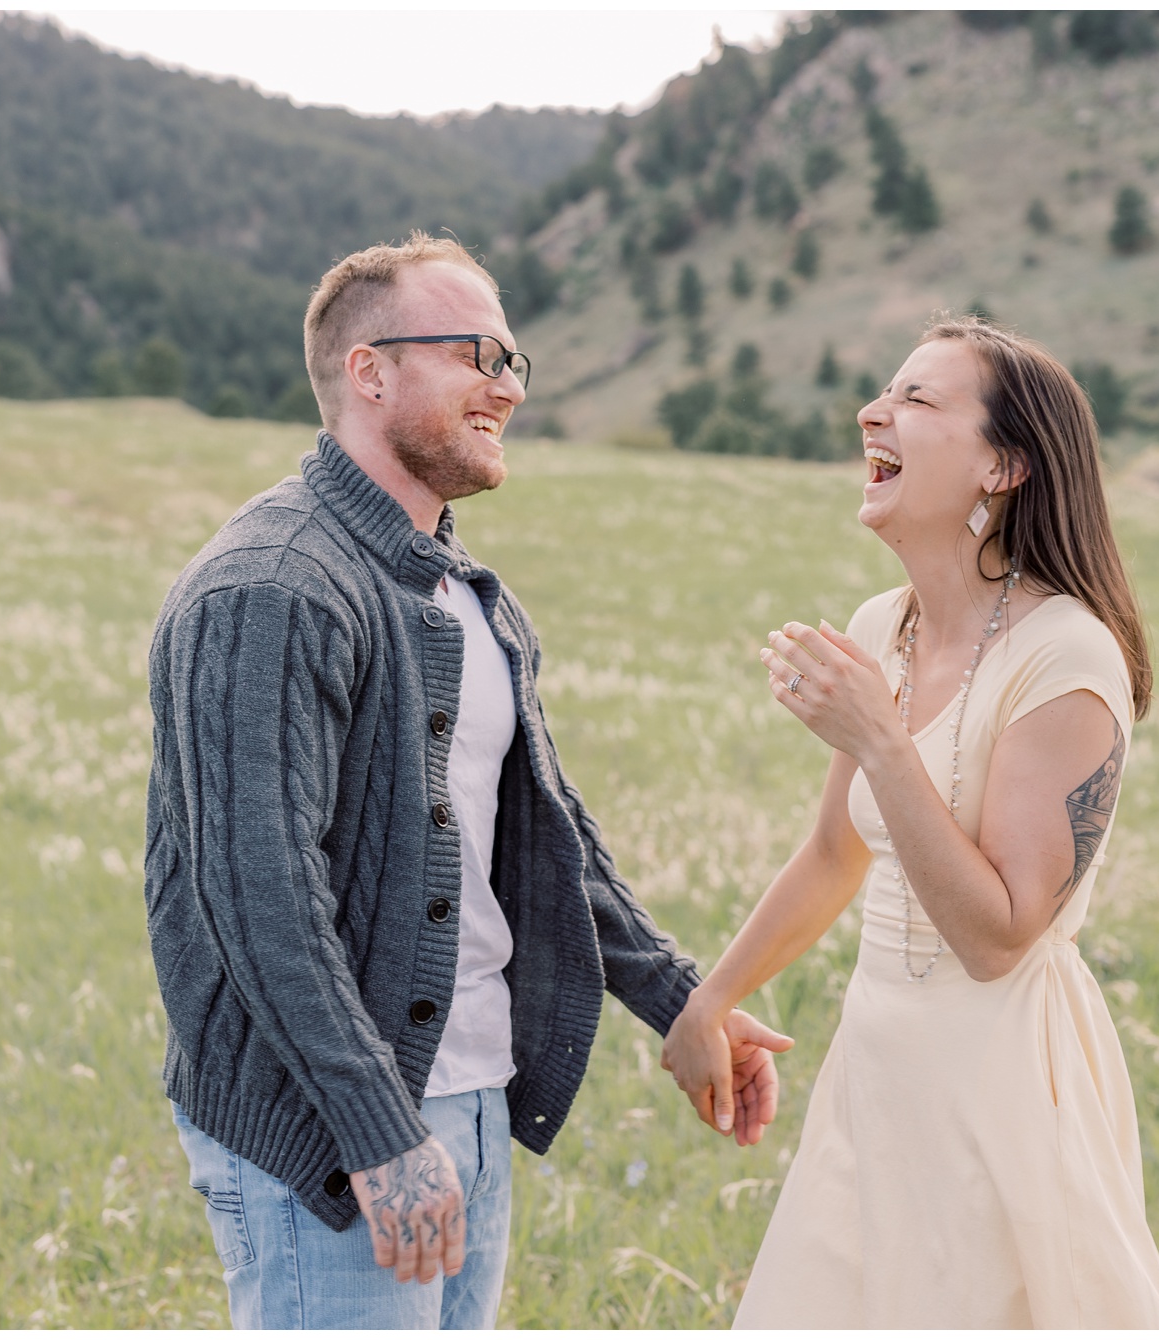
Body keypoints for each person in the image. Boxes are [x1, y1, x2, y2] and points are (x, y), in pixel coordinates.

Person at [142, 231, 790, 1330]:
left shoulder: (466, 595)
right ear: (370, 372)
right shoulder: (270, 587)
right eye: (475, 353)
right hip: (336, 1133)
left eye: (513, 360)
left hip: (467, 1097)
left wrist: (680, 998)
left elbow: (540, 843)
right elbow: (256, 896)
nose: (506, 386)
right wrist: (377, 1129)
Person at [661, 315, 1159, 1328]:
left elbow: (997, 935)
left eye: (915, 398)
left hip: (996, 1089)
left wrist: (879, 740)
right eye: (883, 392)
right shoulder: (881, 625)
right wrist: (709, 996)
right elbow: (831, 852)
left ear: (1001, 465)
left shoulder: (1065, 657)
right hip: (876, 1067)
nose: (872, 411)